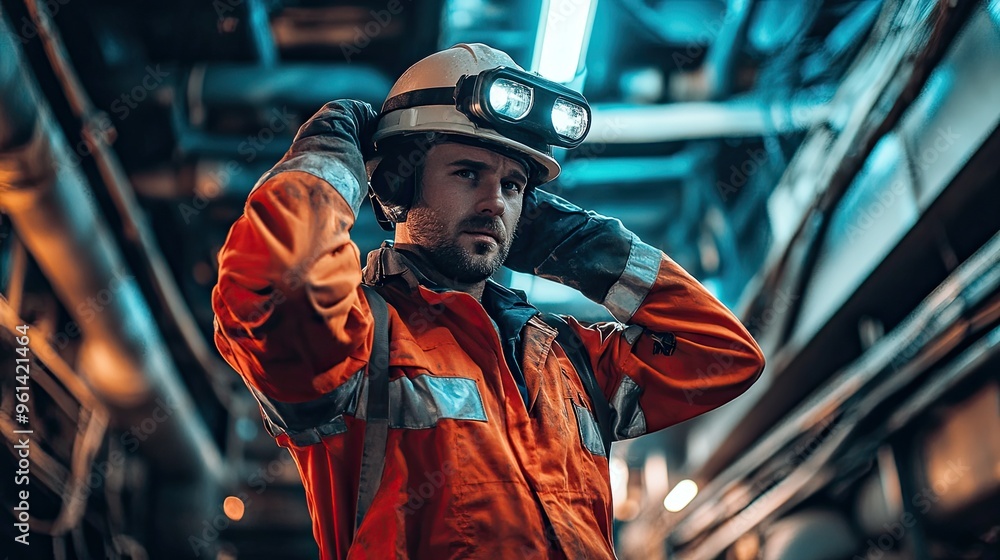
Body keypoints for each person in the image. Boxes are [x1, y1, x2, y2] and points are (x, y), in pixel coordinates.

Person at [212, 43, 765, 559]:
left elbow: (722, 354)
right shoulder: (360, 336)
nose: (495, 203)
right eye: (468, 173)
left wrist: (571, 243)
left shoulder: (565, 358)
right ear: (400, 186)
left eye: (514, 186)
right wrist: (330, 157)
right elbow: (277, 285)